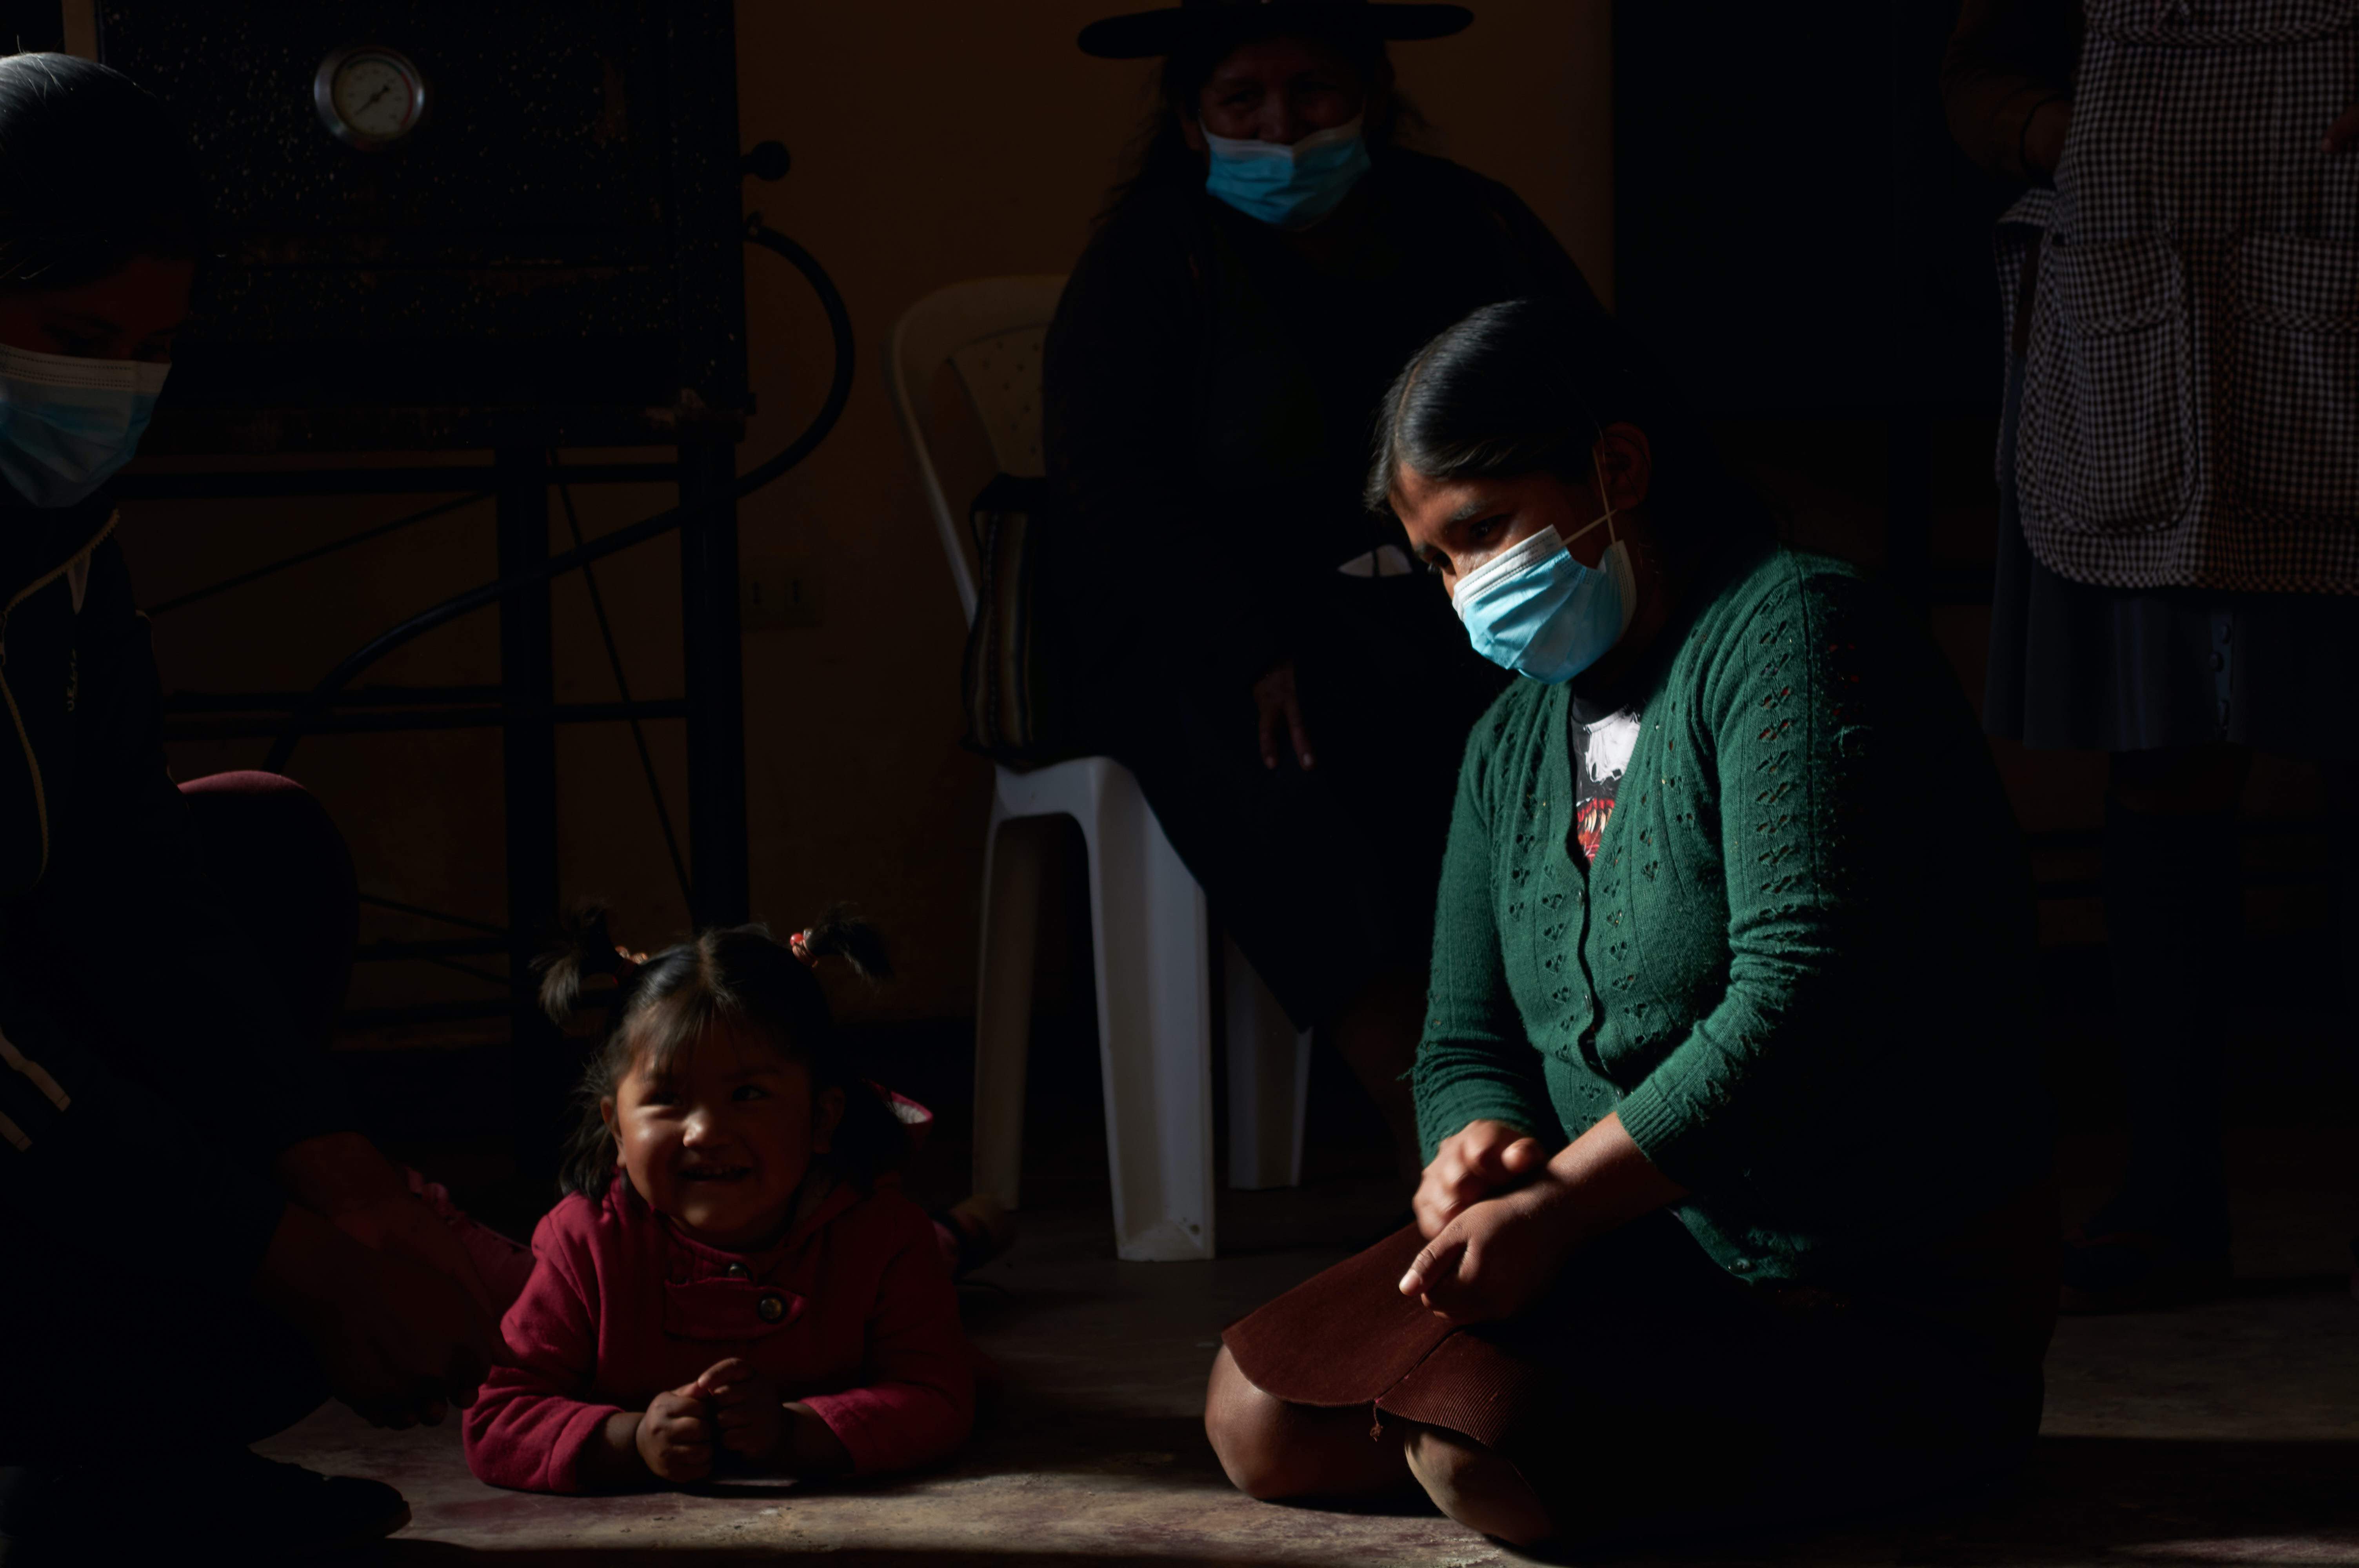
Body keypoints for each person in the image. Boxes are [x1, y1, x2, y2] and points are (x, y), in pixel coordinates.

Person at [1202, 300, 2059, 1550]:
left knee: (1480, 1458)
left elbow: (1803, 997)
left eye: (1483, 533)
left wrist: (1557, 1212)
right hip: (1638, 1246)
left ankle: (1891, 1440)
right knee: (1259, 1418)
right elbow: (1459, 1039)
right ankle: (1624, 1429)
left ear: (1618, 468)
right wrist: (1476, 1145)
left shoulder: (1797, 632)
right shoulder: (1510, 739)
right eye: (1436, 561)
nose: (1465, 589)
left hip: (1852, 1278)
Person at [0, 53, 509, 1563]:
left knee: (255, 848)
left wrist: (341, 1178)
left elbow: (132, 868)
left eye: (153, 352)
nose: (116, 395)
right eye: (77, 339)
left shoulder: (61, 530)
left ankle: (126, 1474)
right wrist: (292, 1258)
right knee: (271, 1294)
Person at [1040, 0, 1609, 1175]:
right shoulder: (1154, 257)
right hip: (1208, 626)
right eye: (1243, 98)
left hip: (1433, 598)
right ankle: (1445, 1135)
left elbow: (1586, 384)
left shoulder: (1468, 221)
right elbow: (1114, 484)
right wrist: (1245, 641)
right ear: (1192, 121)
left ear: (1371, 98)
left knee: (1555, 731)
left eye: (1313, 92)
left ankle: (1591, 1092)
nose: (1281, 126)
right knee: (1286, 758)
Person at [1946, 0, 2359, 1311]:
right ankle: (2168, 1195)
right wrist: (2062, 135)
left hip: (2339, 283)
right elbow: (1976, 77)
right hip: (2133, 313)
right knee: (2163, 774)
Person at [463, 915, 974, 1492]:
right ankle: (964, 1232)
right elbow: (497, 1417)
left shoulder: (880, 1235)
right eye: (666, 1099)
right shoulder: (584, 1244)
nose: (704, 1132)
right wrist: (631, 1441)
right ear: (617, 1132)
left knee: (937, 1257)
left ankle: (966, 1231)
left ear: (822, 1119)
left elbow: (938, 1397)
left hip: (915, 1245)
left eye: (748, 1094)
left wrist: (792, 1432)